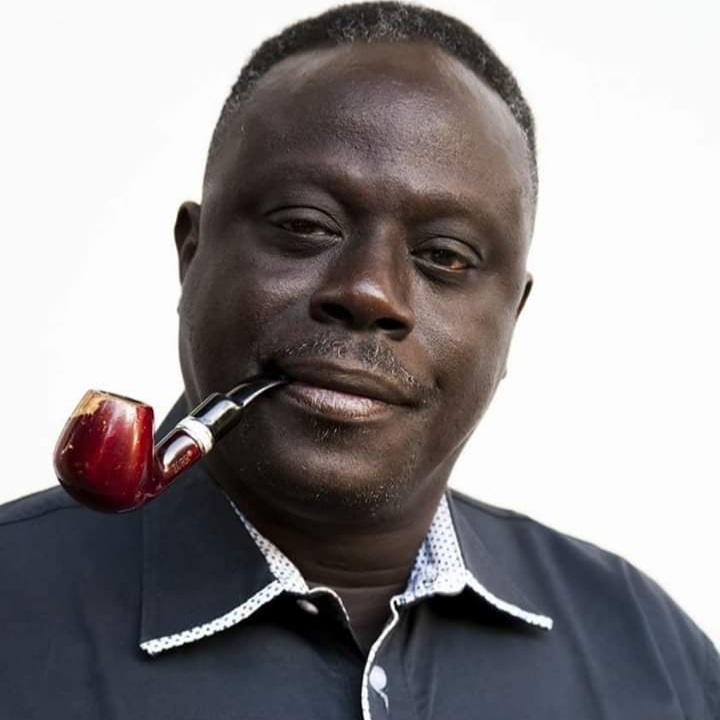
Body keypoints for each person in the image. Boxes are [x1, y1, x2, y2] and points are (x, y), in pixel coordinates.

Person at [1, 2, 717, 718]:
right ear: (192, 255)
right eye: (306, 225)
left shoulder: (650, 658)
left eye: (445, 256)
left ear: (512, 318)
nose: (370, 292)